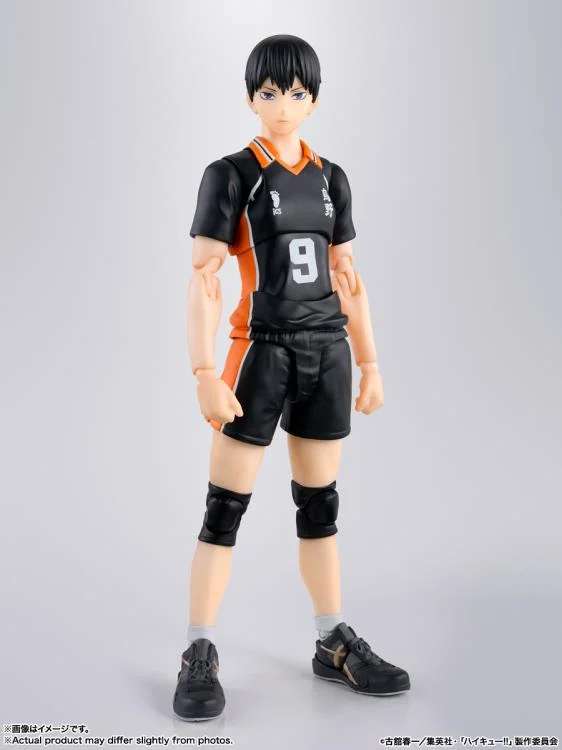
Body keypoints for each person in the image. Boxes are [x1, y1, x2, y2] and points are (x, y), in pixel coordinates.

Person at [172, 34, 411, 722]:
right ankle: (198, 648)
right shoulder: (231, 174)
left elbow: (348, 277)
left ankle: (332, 640)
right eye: (271, 92)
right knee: (225, 510)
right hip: (261, 353)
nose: (283, 104)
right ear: (252, 98)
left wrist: (370, 361)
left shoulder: (332, 178)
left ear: (315, 100)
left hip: (327, 351)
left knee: (320, 507)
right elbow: (204, 278)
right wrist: (203, 370)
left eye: (297, 92)